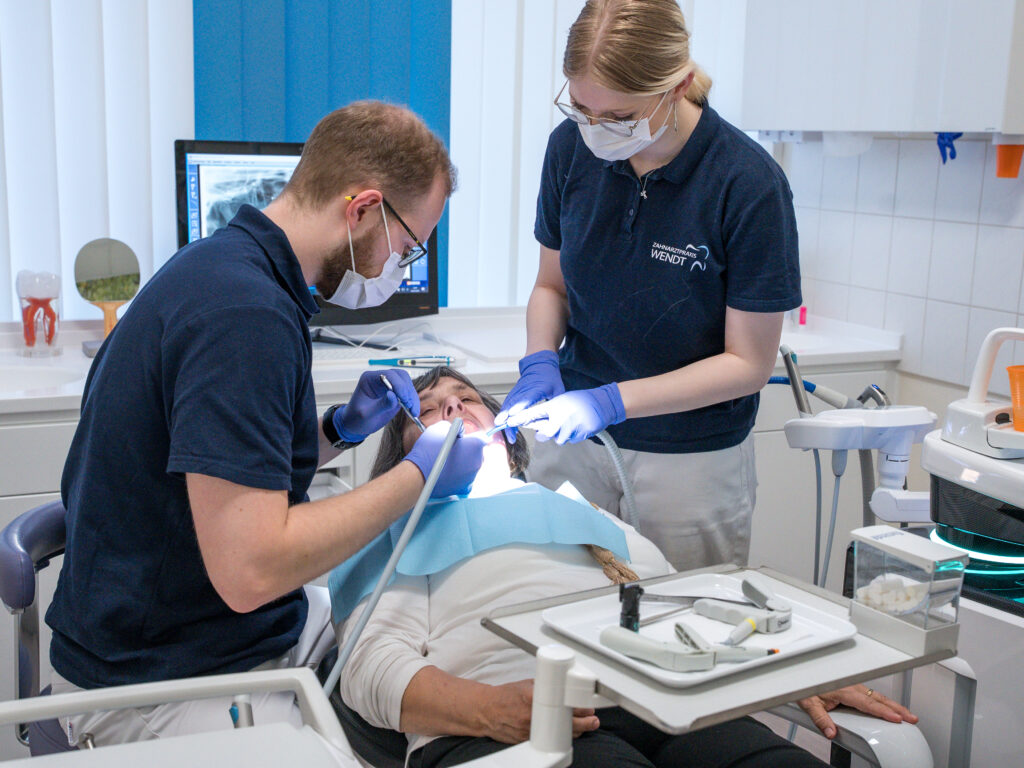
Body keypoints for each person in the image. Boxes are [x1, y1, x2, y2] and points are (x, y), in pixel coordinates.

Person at [44, 102, 485, 751]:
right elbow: (250, 571)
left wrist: (335, 428)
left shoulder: (223, 268)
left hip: (203, 626)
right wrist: (420, 477)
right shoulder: (244, 317)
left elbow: (213, 458)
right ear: (362, 209)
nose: (402, 271)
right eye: (408, 249)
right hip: (161, 677)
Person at [334, 368, 917, 768]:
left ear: (507, 434)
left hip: (660, 700)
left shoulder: (575, 507)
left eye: (465, 398)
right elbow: (368, 669)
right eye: (429, 411)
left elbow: (690, 611)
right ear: (403, 455)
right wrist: (490, 711)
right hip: (506, 718)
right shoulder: (393, 529)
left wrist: (788, 672)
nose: (454, 408)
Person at [493, 0, 801, 571]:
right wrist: (540, 363)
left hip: (689, 463)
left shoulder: (746, 182)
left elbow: (747, 364)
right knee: (560, 614)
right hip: (574, 443)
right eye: (581, 107)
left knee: (679, 625)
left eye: (617, 116)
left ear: (679, 85)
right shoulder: (570, 149)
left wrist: (613, 401)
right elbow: (551, 287)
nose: (594, 130)